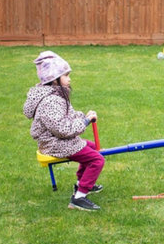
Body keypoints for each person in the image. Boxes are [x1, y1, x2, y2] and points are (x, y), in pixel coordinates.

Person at [24, 51, 105, 210]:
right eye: (66, 75)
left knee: (92, 147)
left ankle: (80, 184)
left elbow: (69, 115)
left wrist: (83, 116)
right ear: (54, 80)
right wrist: (85, 121)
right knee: (97, 160)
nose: (69, 79)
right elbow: (62, 130)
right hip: (55, 143)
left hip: (59, 140)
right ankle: (79, 198)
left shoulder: (56, 94)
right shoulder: (50, 101)